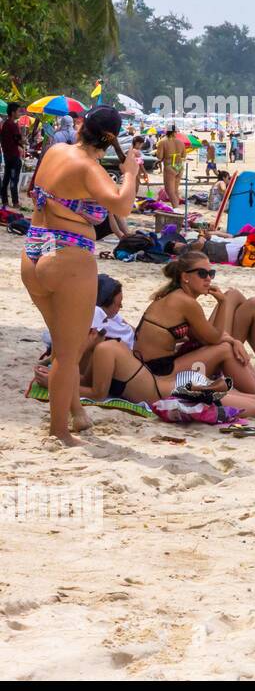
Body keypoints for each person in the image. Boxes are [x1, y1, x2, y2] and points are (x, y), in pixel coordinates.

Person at [22, 106, 141, 445]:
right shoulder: (90, 169)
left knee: (63, 343)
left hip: (34, 250)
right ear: (111, 139)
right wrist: (129, 172)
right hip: (68, 256)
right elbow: (121, 206)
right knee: (69, 352)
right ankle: (59, 432)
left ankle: (77, 413)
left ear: (82, 126)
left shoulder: (57, 151)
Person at [67, 338, 255, 424]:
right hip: (179, 385)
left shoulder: (105, 350)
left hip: (180, 391)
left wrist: (65, 385)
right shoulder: (103, 351)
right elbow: (93, 382)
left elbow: (98, 392)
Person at [135, 252, 255, 388]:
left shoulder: (175, 296)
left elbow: (203, 336)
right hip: (159, 371)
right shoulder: (186, 302)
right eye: (202, 274)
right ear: (185, 277)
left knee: (240, 297)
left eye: (212, 274)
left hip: (158, 363)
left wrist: (232, 340)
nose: (209, 279)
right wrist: (222, 304)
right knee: (245, 310)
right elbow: (215, 338)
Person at [2, 102, 25, 209]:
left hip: (7, 155)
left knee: (6, 178)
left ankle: (5, 201)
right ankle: (15, 202)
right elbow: (18, 140)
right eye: (18, 111)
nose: (19, 113)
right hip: (14, 155)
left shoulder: (5, 124)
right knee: (13, 179)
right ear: (13, 112)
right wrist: (23, 141)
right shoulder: (13, 125)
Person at [156, 126, 185, 206]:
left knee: (170, 191)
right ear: (174, 132)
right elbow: (183, 155)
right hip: (179, 166)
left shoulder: (163, 141)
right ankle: (177, 208)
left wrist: (156, 152)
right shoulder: (180, 142)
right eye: (176, 132)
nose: (177, 133)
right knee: (175, 190)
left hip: (170, 166)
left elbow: (159, 157)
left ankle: (176, 209)